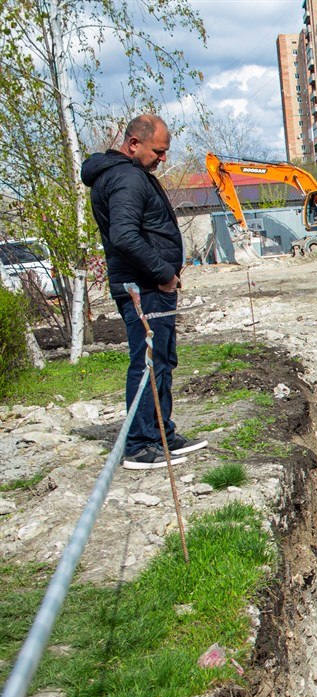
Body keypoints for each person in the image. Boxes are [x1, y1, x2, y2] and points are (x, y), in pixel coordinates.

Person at [81, 114, 207, 470]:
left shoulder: (128, 175)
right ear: (134, 144)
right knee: (148, 363)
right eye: (159, 151)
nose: (163, 158)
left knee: (162, 360)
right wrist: (164, 273)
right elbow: (124, 236)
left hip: (150, 286)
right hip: (145, 287)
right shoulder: (125, 178)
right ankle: (139, 445)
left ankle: (161, 433)